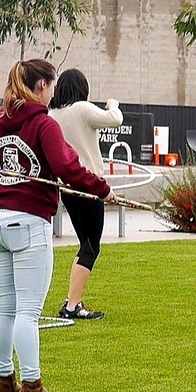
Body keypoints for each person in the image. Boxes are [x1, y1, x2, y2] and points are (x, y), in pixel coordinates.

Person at [0, 59, 116, 392]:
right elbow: (67, 167)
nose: (54, 92)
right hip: (28, 224)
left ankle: (3, 378)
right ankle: (31, 386)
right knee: (27, 310)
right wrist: (101, 188)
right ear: (41, 86)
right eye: (52, 86)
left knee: (6, 305)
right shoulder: (43, 124)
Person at [47, 69, 125, 320]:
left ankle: (72, 300)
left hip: (68, 188)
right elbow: (115, 119)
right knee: (91, 248)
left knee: (85, 245)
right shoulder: (82, 108)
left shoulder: (52, 114)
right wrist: (113, 105)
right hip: (90, 186)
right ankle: (72, 306)